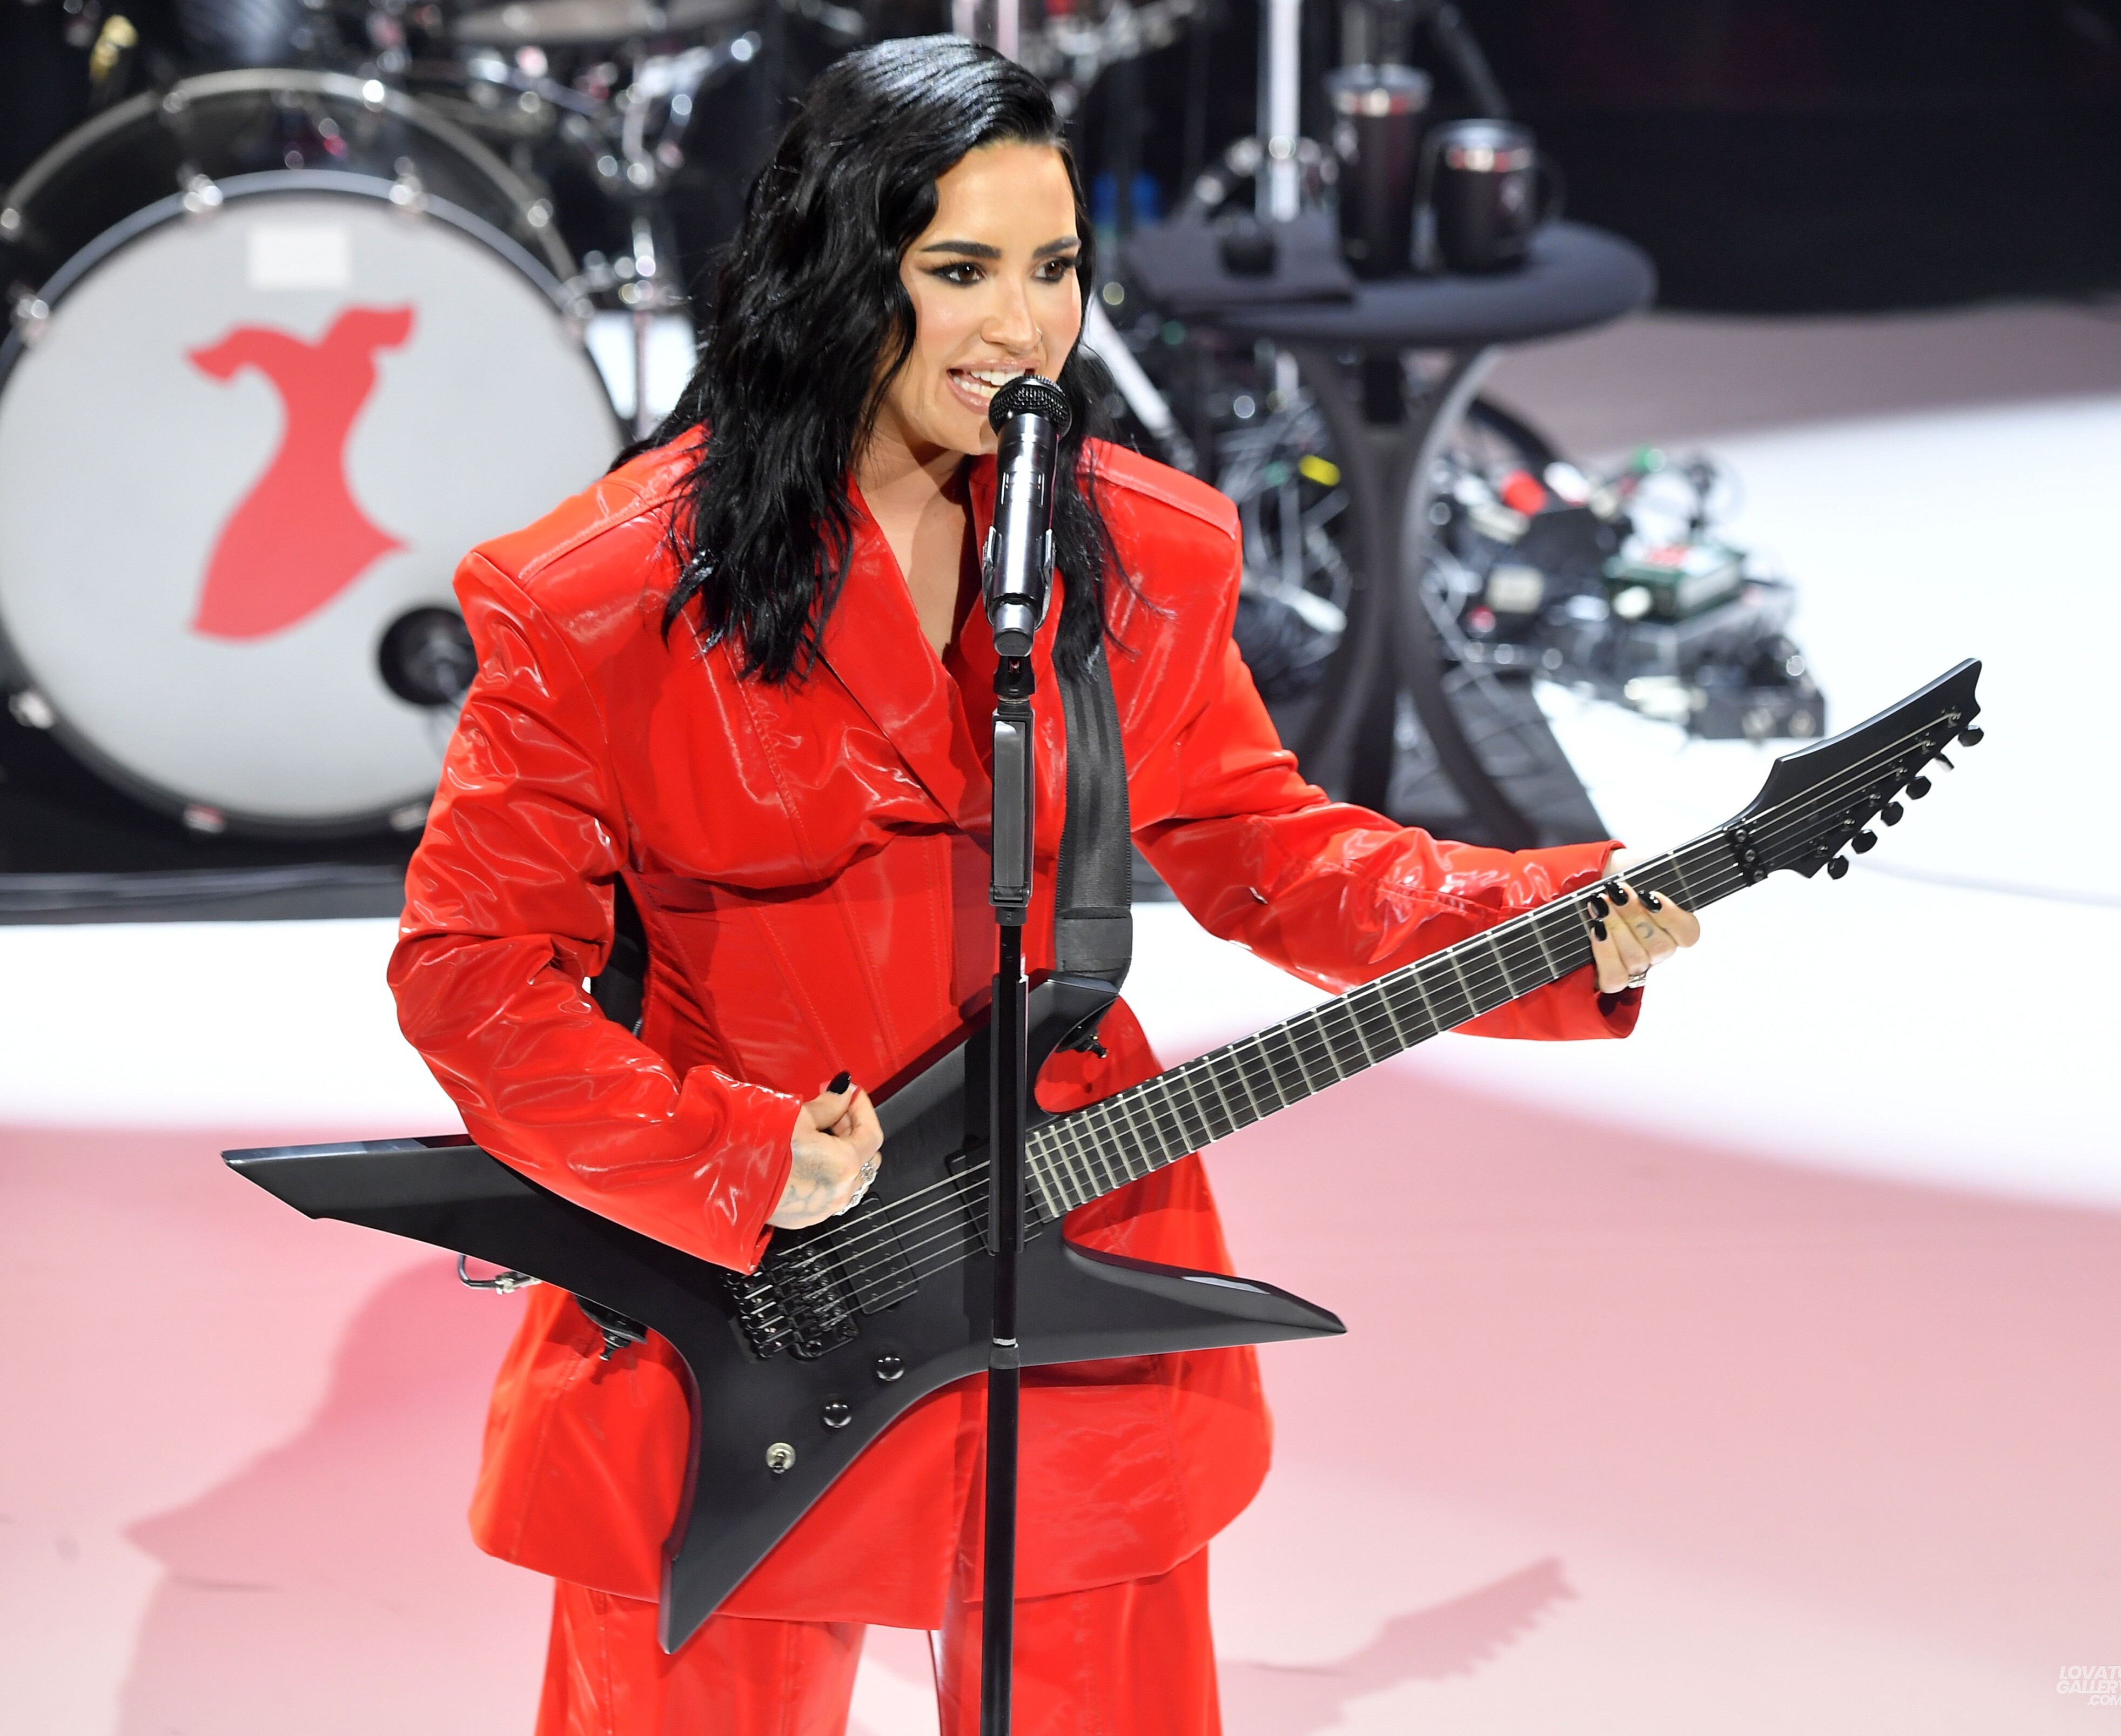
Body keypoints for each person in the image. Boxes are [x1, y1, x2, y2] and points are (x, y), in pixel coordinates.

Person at [387, 35, 1700, 1736]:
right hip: (743, 1287)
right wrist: (728, 1157)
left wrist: (1535, 922)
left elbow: (1265, 847)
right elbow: (473, 972)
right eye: (961, 271)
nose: (1023, 325)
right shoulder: (596, 593)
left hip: (1068, 1247)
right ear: (837, 269)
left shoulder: (1143, 553)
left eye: (1054, 267)